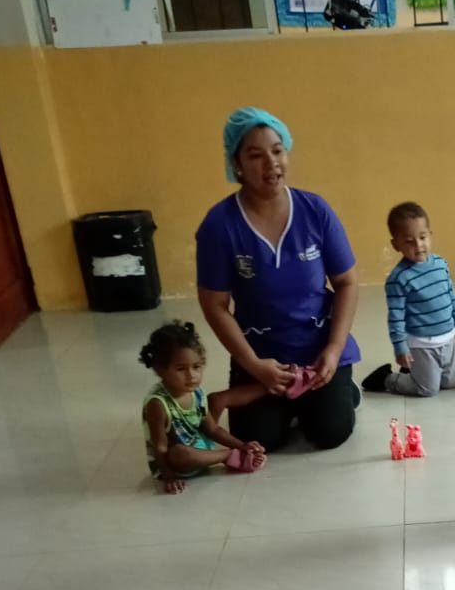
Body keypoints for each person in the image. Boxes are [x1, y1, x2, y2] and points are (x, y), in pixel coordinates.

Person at [195, 107, 360, 452]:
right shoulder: (219, 225)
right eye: (255, 155)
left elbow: (346, 282)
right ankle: (290, 401)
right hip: (261, 356)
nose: (271, 163)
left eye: (277, 150)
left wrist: (333, 349)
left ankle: (339, 391)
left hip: (317, 350)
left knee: (331, 432)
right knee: (259, 439)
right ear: (236, 164)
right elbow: (214, 305)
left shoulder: (315, 210)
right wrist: (254, 365)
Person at [140, 320, 265, 494]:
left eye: (196, 367)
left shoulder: (197, 393)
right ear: (161, 370)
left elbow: (212, 429)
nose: (191, 375)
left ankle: (229, 454)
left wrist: (242, 445)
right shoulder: (158, 403)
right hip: (178, 462)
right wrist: (169, 477)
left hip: (199, 448)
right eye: (181, 369)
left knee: (215, 405)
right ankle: (227, 456)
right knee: (179, 453)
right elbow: (160, 447)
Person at [361, 201, 455, 396]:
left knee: (451, 382)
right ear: (396, 245)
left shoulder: (441, 264)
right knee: (428, 389)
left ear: (430, 235)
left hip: (447, 337)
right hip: (421, 342)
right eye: (409, 241)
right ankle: (387, 378)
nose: (418, 245)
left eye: (422, 237)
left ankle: (416, 371)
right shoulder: (399, 278)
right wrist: (400, 346)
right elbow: (396, 318)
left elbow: (450, 295)